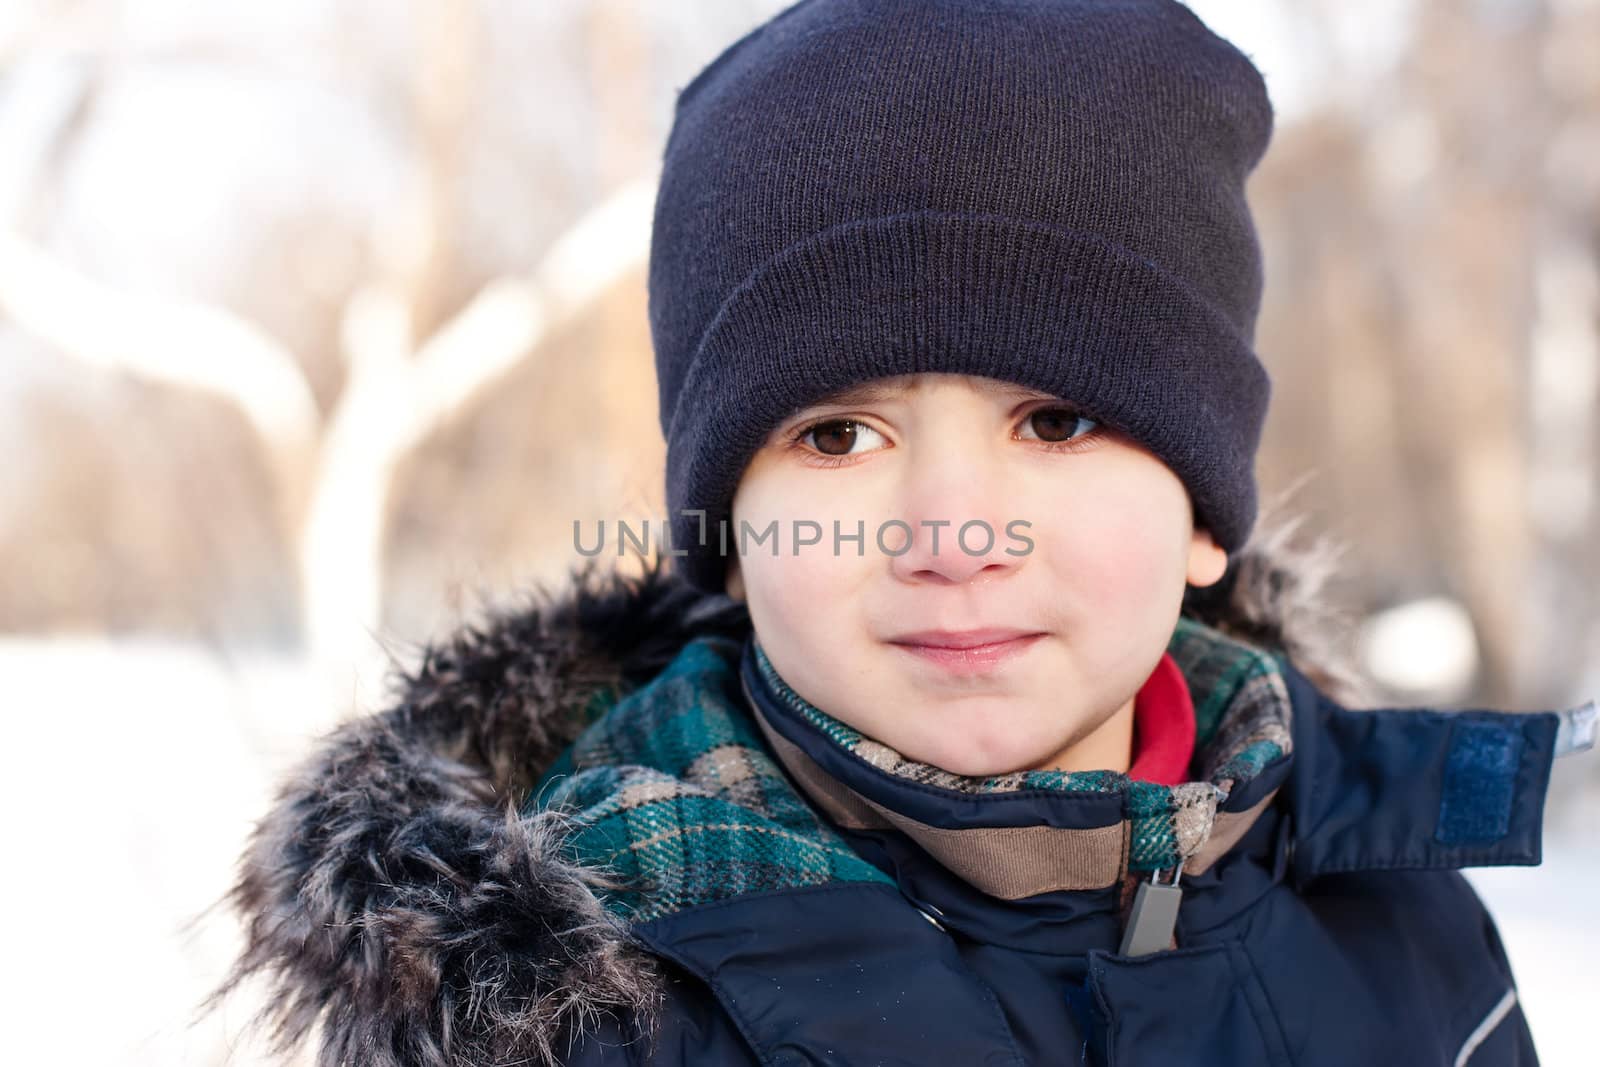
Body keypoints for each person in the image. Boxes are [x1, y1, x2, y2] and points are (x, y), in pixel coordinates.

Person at [201, 1, 1596, 1064]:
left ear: (1204, 516)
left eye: (1056, 422)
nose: (953, 530)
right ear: (728, 533)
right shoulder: (580, 1006)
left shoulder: (1392, 912)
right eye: (834, 437)